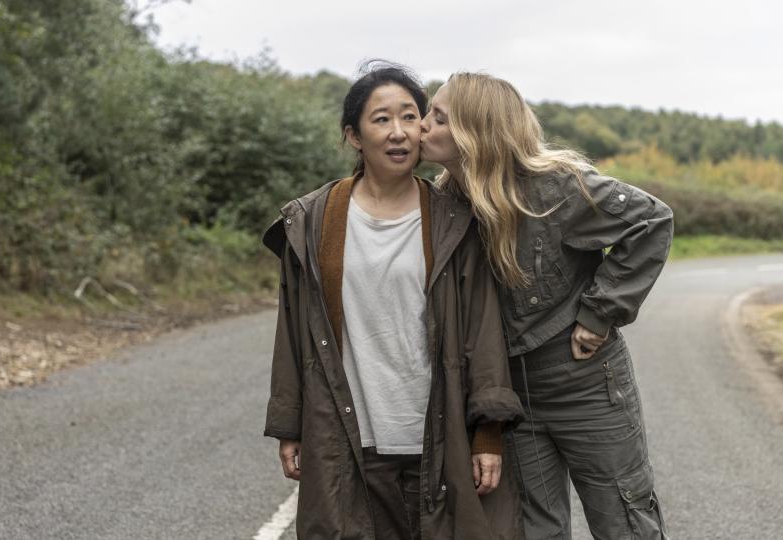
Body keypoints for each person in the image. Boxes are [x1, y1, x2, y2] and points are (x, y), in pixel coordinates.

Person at [262, 62, 525, 540]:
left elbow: (481, 330)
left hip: (438, 437)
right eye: (381, 119)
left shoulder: (454, 220)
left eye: (410, 116)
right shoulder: (313, 221)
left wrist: (488, 432)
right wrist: (289, 424)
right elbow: (293, 329)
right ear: (353, 137)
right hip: (348, 436)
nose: (399, 132)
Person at [420, 72, 672, 540]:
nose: (421, 126)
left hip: (586, 384)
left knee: (623, 519)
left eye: (438, 117)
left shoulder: (557, 186)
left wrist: (601, 312)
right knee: (536, 529)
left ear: (476, 132)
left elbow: (652, 220)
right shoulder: (444, 205)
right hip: (514, 398)